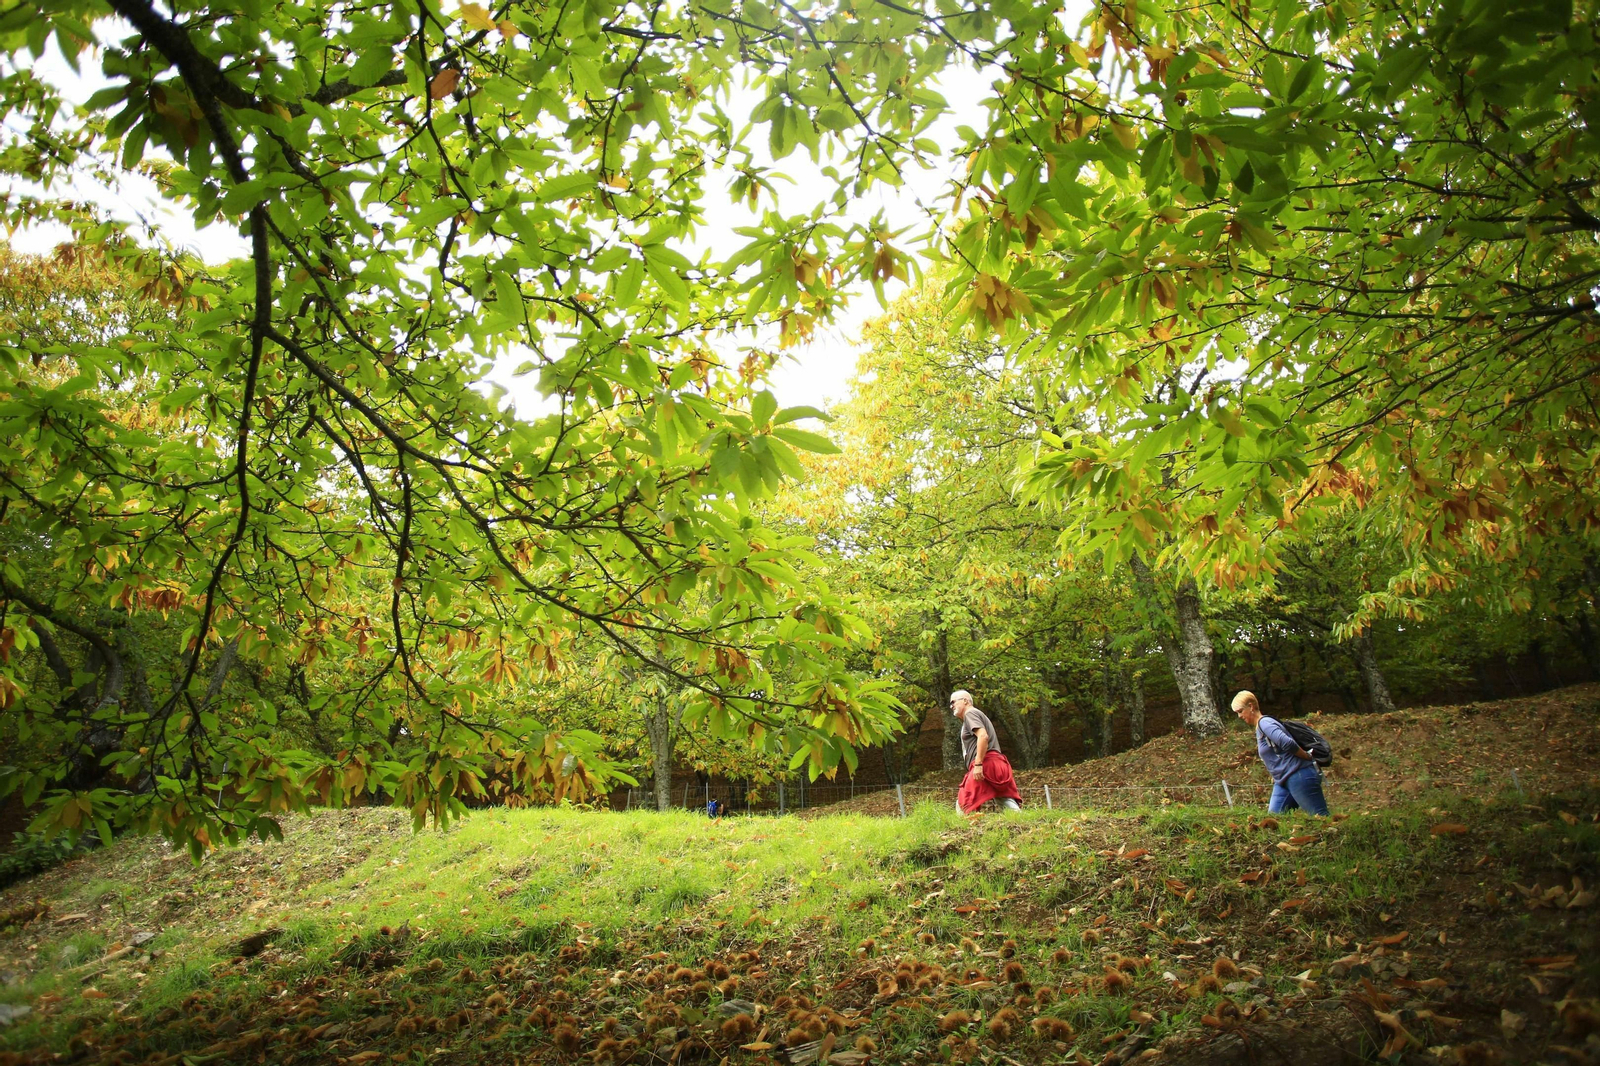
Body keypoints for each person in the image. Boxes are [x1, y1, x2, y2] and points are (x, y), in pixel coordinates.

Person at [1231, 690, 1329, 816]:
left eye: (1240, 711)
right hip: (1283, 780)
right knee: (1274, 820)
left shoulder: (1265, 723)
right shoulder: (1261, 726)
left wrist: (1307, 756)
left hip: (1298, 774)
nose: (1239, 716)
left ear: (1251, 706)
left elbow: (1287, 743)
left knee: (1320, 817)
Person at [951, 690, 1022, 813]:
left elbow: (983, 736)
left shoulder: (970, 713)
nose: (951, 706)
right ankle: (1023, 823)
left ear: (965, 701)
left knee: (964, 801)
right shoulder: (976, 714)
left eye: (953, 702)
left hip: (986, 764)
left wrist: (978, 764)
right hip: (997, 764)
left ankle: (959, 829)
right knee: (1005, 800)